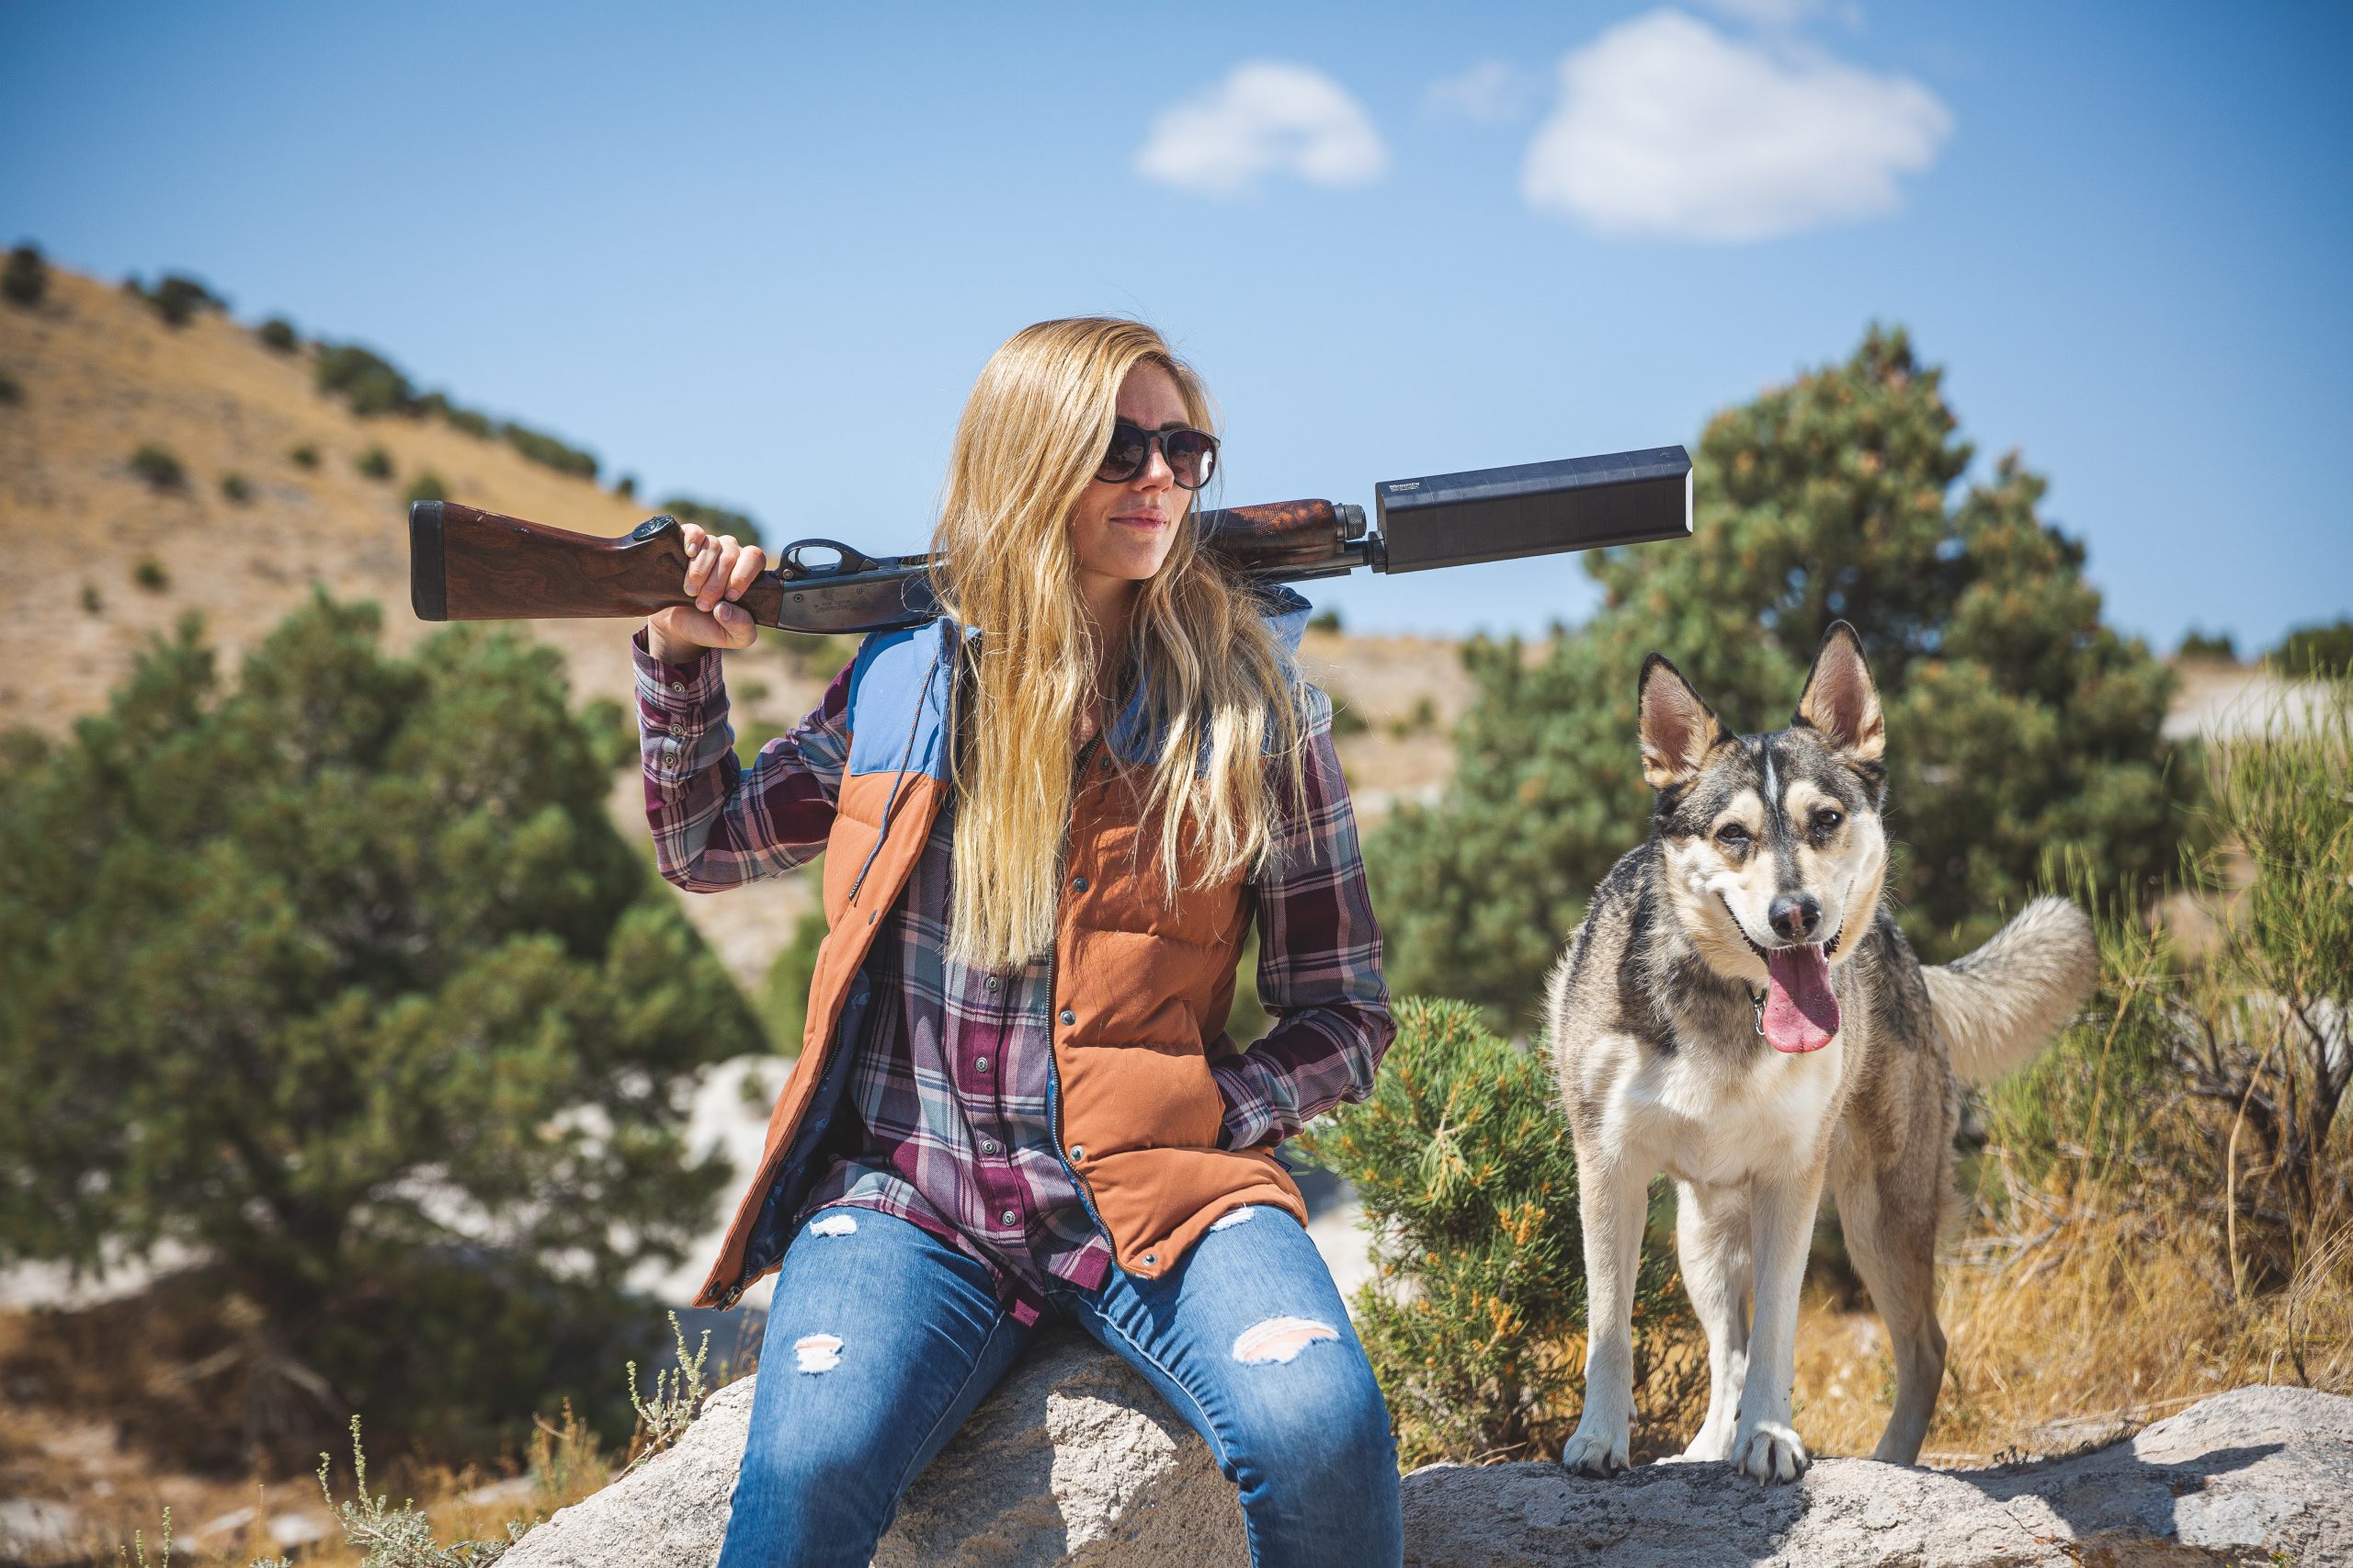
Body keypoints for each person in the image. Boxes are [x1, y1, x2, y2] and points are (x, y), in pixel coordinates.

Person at [631, 317, 1401, 1566]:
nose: (1161, 478)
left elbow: (1346, 1014)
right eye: (1119, 447)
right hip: (911, 1197)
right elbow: (705, 844)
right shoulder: (903, 683)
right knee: (809, 1468)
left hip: (1166, 1188)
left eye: (1184, 449)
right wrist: (678, 655)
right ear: (1028, 459)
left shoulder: (1256, 708)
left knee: (1326, 1432)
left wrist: (1220, 1105)